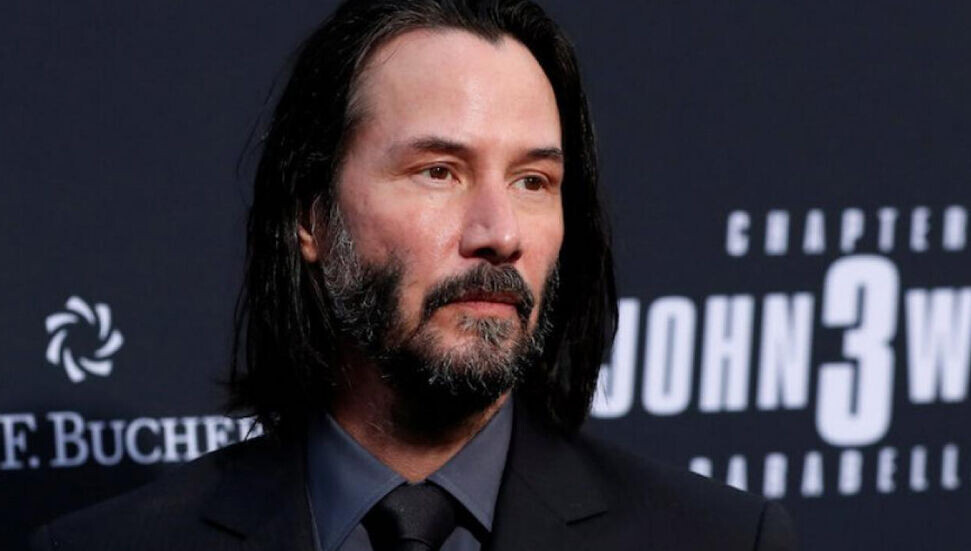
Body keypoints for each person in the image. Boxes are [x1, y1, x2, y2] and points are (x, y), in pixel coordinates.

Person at [30, 0, 797, 549]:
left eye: (533, 181)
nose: (499, 233)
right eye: (439, 171)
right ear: (312, 217)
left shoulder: (720, 538)